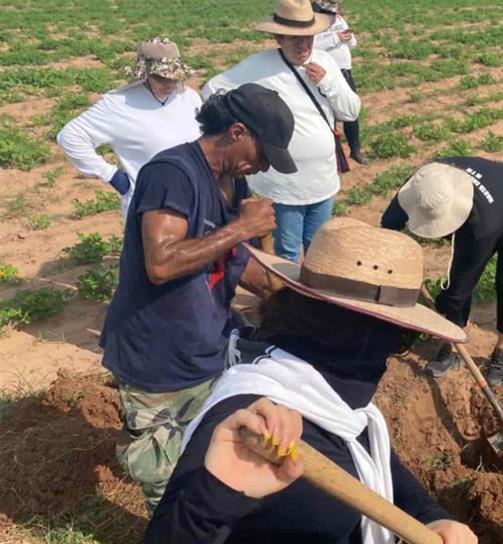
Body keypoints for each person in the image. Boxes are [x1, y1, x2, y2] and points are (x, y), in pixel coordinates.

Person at [144, 218, 478, 544]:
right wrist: (214, 496)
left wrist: (433, 517)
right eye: (403, 339)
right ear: (366, 337)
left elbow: (384, 464)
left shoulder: (333, 402)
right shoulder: (254, 427)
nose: (393, 356)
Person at [99, 83, 296, 512]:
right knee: (165, 480)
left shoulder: (231, 183)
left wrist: (295, 299)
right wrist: (243, 228)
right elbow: (162, 263)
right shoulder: (172, 173)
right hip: (157, 355)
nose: (261, 166)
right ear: (238, 132)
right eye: (262, 154)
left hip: (204, 345)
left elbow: (238, 263)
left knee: (201, 455)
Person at [204, 0, 361, 263]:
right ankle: (288, 303)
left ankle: (312, 303)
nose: (303, 46)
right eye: (295, 39)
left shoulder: (326, 63)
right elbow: (211, 89)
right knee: (287, 252)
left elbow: (351, 111)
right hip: (283, 183)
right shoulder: (258, 66)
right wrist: (246, 119)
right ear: (279, 37)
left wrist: (328, 82)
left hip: (323, 177)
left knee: (318, 250)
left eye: (308, 38)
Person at [380, 157, 503, 386]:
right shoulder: (424, 184)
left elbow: (461, 285)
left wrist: (429, 314)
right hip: (498, 197)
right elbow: (388, 226)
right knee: (460, 281)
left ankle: (501, 351)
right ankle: (454, 339)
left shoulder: (480, 225)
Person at [57, 37, 202, 221]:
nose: (170, 83)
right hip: (151, 208)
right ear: (145, 74)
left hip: (196, 199)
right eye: (160, 77)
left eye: (175, 76)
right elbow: (70, 136)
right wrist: (112, 175)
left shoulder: (189, 97)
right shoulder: (119, 104)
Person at [313, 0, 368, 164]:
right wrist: (336, 37)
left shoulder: (339, 20)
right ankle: (333, 155)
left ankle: (355, 149)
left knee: (351, 111)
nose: (334, 13)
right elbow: (313, 45)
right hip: (325, 74)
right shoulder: (314, 23)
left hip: (345, 71)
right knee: (329, 115)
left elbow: (353, 44)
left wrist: (349, 38)